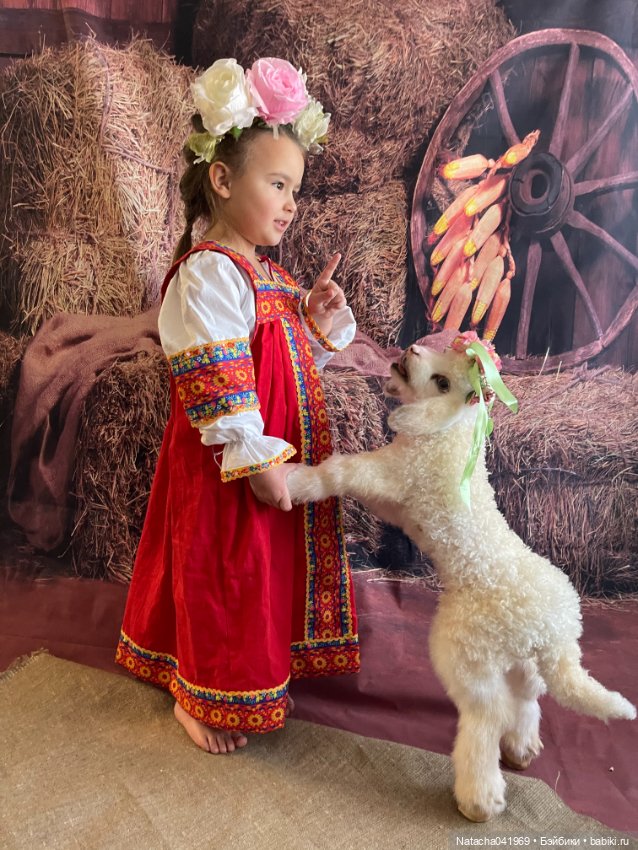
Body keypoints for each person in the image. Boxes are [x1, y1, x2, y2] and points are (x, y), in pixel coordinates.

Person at [116, 57, 360, 753]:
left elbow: (284, 365)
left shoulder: (266, 272)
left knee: (254, 578)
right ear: (222, 180)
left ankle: (240, 669)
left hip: (265, 452)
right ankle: (201, 696)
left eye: (295, 189)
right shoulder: (208, 275)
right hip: (226, 467)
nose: (290, 203)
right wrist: (255, 463)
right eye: (277, 184)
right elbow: (221, 383)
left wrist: (315, 320)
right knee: (222, 575)